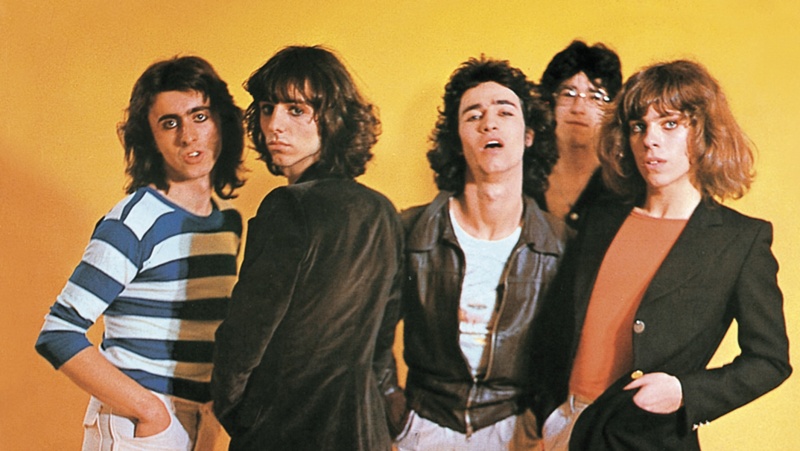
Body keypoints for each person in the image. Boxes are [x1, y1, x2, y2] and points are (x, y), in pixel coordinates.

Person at [535, 60, 792, 450]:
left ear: (703, 131)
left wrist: (685, 392)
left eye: (670, 124)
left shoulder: (740, 240)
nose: (650, 140)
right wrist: (543, 414)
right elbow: (555, 324)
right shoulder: (601, 218)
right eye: (639, 126)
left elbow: (770, 360)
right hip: (563, 425)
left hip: (644, 437)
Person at [35, 56, 246, 450]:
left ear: (221, 121)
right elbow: (58, 332)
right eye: (170, 123)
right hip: (140, 422)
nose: (188, 136)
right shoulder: (135, 221)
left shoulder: (226, 223)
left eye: (199, 117)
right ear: (150, 137)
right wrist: (150, 412)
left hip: (199, 422)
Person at [210, 45, 404, 451]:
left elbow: (243, 340)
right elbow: (381, 346)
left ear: (333, 118)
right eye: (267, 109)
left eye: (296, 110)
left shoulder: (286, 207)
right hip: (364, 431)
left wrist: (242, 419)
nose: (274, 125)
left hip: (285, 432)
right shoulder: (383, 211)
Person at [380, 56, 568, 450]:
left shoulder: (560, 243)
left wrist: (539, 420)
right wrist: (394, 410)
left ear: (528, 135)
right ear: (456, 138)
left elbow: (570, 350)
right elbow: (369, 332)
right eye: (473, 115)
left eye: (505, 112)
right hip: (424, 425)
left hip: (516, 431)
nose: (489, 124)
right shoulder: (410, 230)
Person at [533, 40, 622, 229]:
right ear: (550, 101)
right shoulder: (526, 171)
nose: (578, 108)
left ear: (612, 109)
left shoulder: (622, 182)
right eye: (568, 94)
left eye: (595, 97)